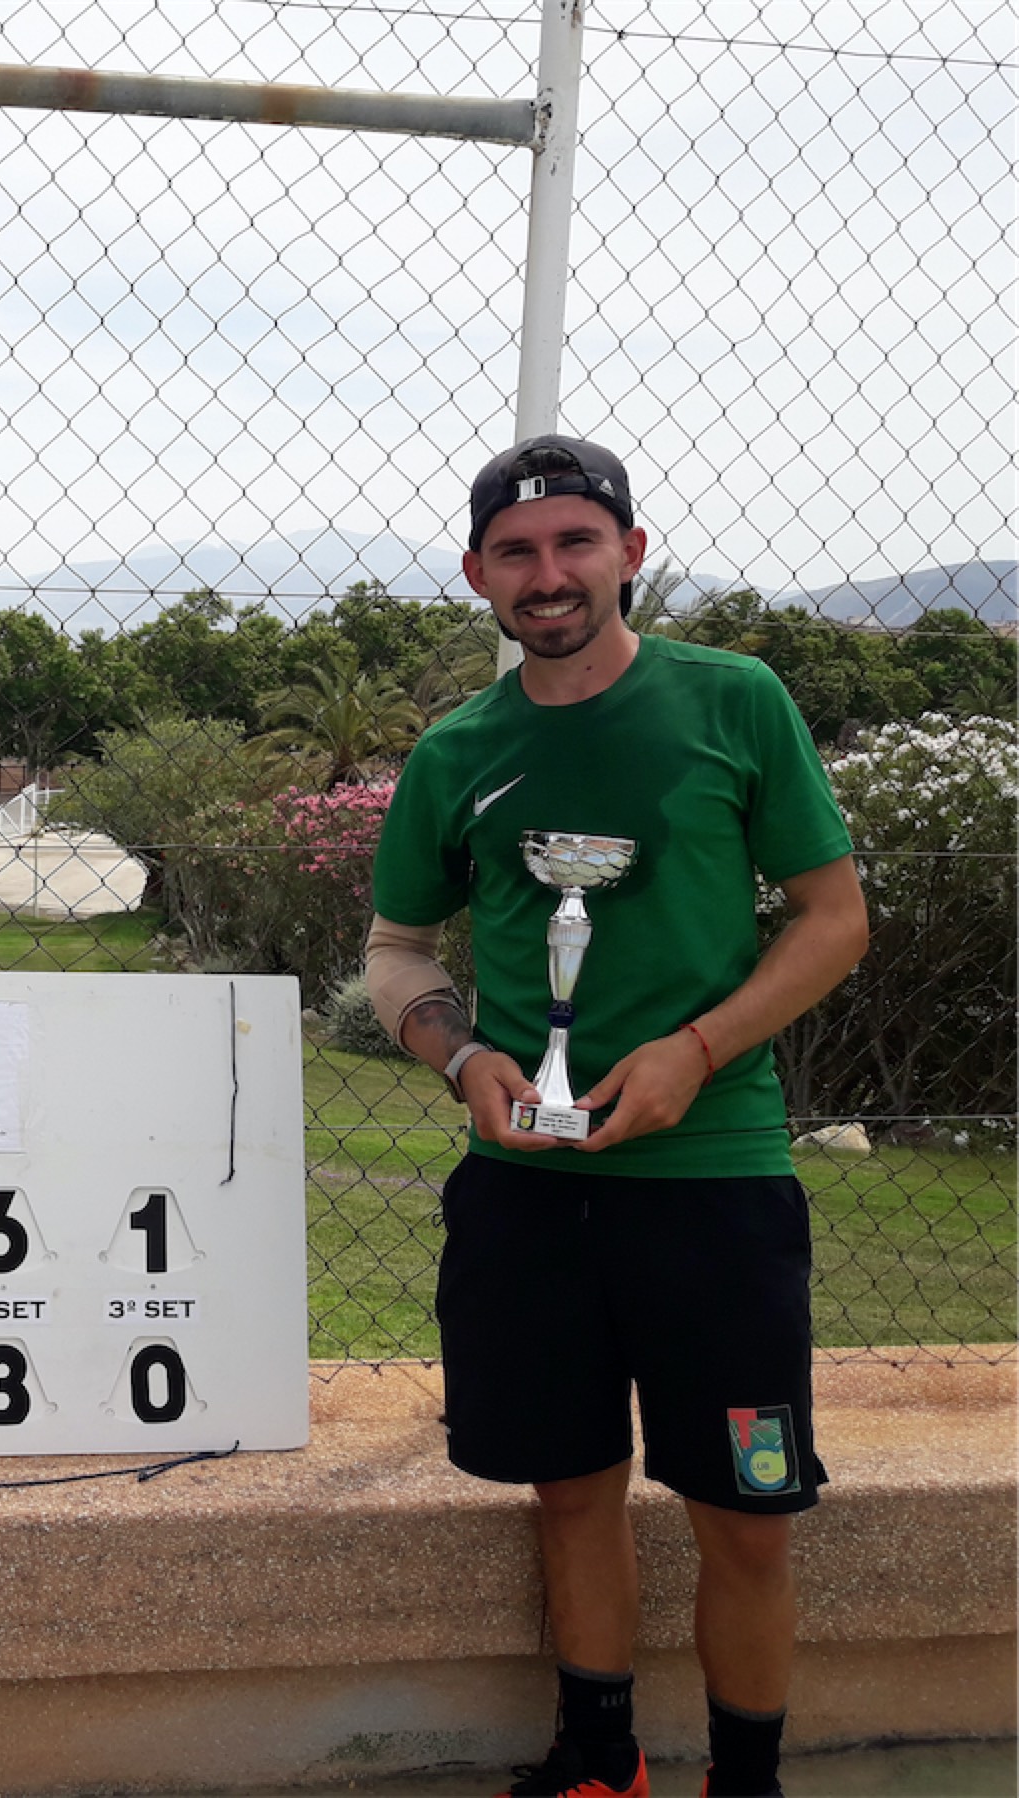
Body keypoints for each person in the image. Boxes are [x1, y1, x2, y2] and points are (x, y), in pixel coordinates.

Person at [364, 435, 869, 1798]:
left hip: (715, 1186)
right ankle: (599, 1761)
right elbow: (397, 949)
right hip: (527, 1189)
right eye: (516, 552)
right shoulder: (458, 751)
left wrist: (695, 1052)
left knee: (747, 1511)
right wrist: (462, 1057)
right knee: (570, 1488)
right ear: (477, 574)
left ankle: (745, 1781)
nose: (548, 574)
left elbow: (833, 919)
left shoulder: (734, 701)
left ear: (629, 553)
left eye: (575, 542)